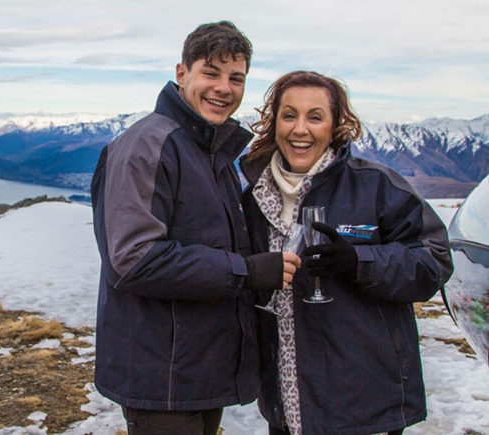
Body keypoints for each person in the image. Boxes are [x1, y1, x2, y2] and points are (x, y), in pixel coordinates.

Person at [91, 21, 300, 435]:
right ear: (182, 73)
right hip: (162, 371)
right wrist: (247, 271)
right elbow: (133, 260)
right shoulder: (150, 144)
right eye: (211, 72)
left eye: (235, 78)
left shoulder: (205, 148)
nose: (224, 88)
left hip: (192, 369)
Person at [240, 71, 453, 435]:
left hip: (363, 408)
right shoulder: (252, 199)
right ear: (273, 122)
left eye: (315, 116)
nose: (300, 129)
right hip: (285, 409)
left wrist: (361, 262)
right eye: (289, 115)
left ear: (336, 125)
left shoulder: (376, 186)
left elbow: (434, 260)